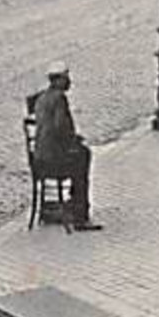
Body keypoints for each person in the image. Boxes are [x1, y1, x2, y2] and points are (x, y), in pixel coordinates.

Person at [32, 62, 100, 231]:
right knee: (83, 157)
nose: (69, 81)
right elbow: (60, 128)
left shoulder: (42, 97)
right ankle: (80, 213)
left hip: (39, 158)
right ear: (59, 80)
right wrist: (74, 141)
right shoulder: (59, 99)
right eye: (66, 78)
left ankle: (72, 203)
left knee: (80, 155)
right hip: (53, 158)